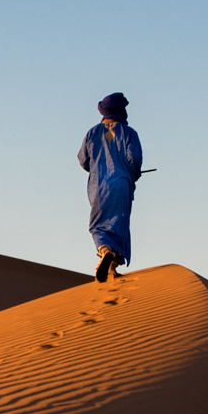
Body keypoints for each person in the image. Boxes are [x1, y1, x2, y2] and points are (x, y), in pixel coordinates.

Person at [78, 93, 142, 281]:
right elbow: (135, 160)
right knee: (119, 224)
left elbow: (83, 160)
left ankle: (105, 251)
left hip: (98, 185)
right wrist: (132, 175)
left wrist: (98, 166)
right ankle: (112, 267)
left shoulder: (93, 133)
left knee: (99, 226)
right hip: (122, 184)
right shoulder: (130, 133)